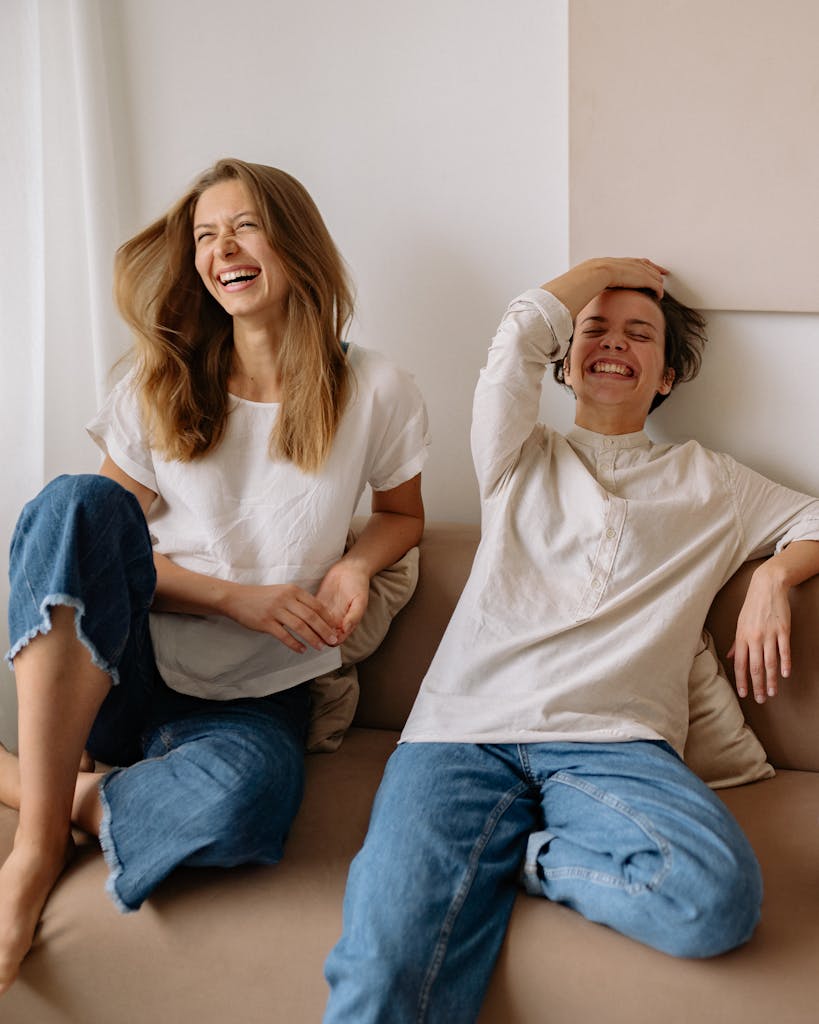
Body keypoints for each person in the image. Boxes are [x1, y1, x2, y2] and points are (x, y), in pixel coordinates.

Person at [323, 258, 819, 1022]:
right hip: (459, 734)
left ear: (666, 375)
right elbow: (515, 338)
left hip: (614, 744)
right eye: (594, 328)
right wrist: (615, 270)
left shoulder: (711, 483)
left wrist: (772, 578)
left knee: (710, 901)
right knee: (383, 960)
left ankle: (522, 860)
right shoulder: (516, 454)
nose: (613, 342)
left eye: (639, 333)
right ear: (564, 361)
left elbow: (814, 519)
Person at [0, 158, 428, 995]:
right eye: (203, 234)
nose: (220, 248)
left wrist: (353, 566)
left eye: (242, 226)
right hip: (128, 670)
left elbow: (402, 516)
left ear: (292, 243)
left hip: (256, 702)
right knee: (78, 499)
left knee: (244, 809)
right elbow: (98, 548)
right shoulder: (154, 381)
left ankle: (37, 786)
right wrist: (237, 598)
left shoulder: (376, 388)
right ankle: (37, 845)